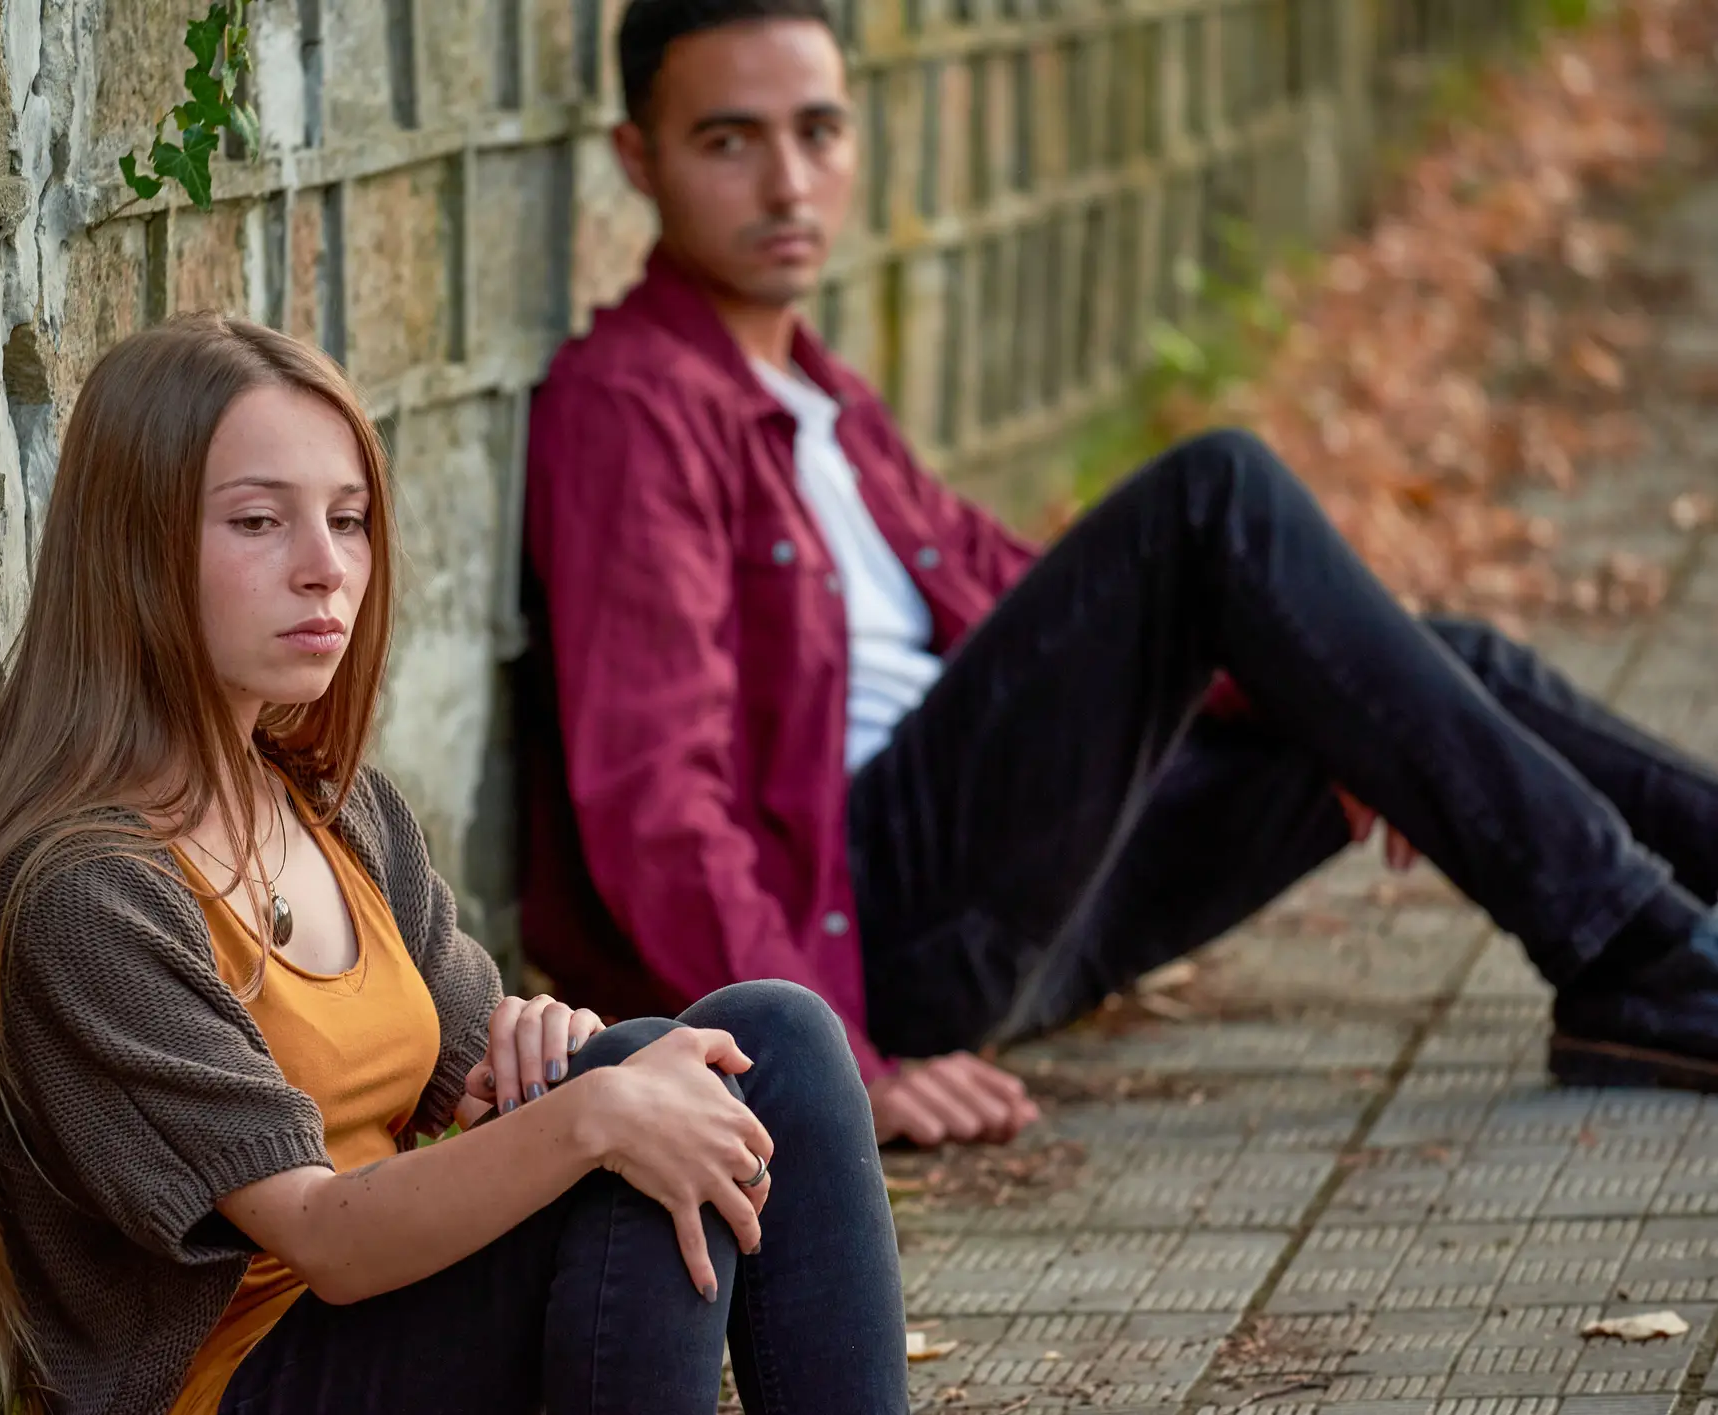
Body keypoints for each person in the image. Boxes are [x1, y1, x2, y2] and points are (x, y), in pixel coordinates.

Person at [517, 0, 1718, 1151]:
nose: (787, 183)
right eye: (729, 142)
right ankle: (1643, 962)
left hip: (1035, 898)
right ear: (639, 156)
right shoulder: (632, 404)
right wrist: (827, 1058)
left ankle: (1678, 935)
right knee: (1215, 495)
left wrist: (1354, 710)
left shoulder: (824, 397)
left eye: (817, 132)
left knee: (1434, 664)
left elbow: (1027, 604)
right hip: (872, 934)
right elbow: (654, 790)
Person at [0, 315, 910, 1415]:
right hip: (247, 1380)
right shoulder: (84, 898)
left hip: (401, 1334)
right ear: (135, 545)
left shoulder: (333, 806)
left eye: (348, 520)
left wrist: (538, 1050)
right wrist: (589, 1112)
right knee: (625, 1123)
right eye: (259, 521)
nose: (325, 569)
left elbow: (490, 1073)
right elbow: (323, 1237)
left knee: (770, 1036)